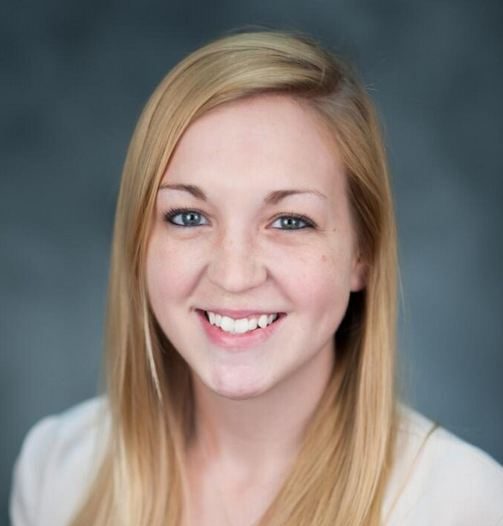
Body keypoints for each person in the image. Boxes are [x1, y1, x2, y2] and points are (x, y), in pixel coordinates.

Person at [9, 30, 503, 526]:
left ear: (362, 255)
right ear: (139, 243)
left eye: (290, 221)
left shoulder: (462, 502)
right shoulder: (57, 470)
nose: (234, 273)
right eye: (187, 216)